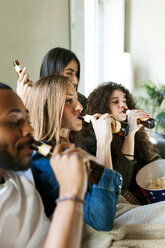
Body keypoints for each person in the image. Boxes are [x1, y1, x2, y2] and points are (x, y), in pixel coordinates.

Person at [22, 75, 123, 231]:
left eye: (77, 99)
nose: (80, 107)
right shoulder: (45, 159)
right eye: (68, 100)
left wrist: (106, 142)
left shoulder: (71, 144)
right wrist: (102, 144)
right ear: (48, 108)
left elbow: (107, 196)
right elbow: (101, 220)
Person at [0, 82, 92, 248]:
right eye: (14, 122)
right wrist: (70, 195)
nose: (29, 129)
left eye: (27, 119)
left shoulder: (18, 174)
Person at [82, 82, 160, 204]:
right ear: (102, 106)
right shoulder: (94, 135)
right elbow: (121, 183)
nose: (123, 105)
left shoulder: (128, 128)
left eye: (124, 101)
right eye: (115, 102)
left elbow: (151, 157)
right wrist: (131, 133)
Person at [17, 47, 87, 109]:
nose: (76, 82)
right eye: (69, 73)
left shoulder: (81, 101)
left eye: (76, 74)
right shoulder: (35, 101)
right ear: (52, 73)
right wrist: (24, 103)